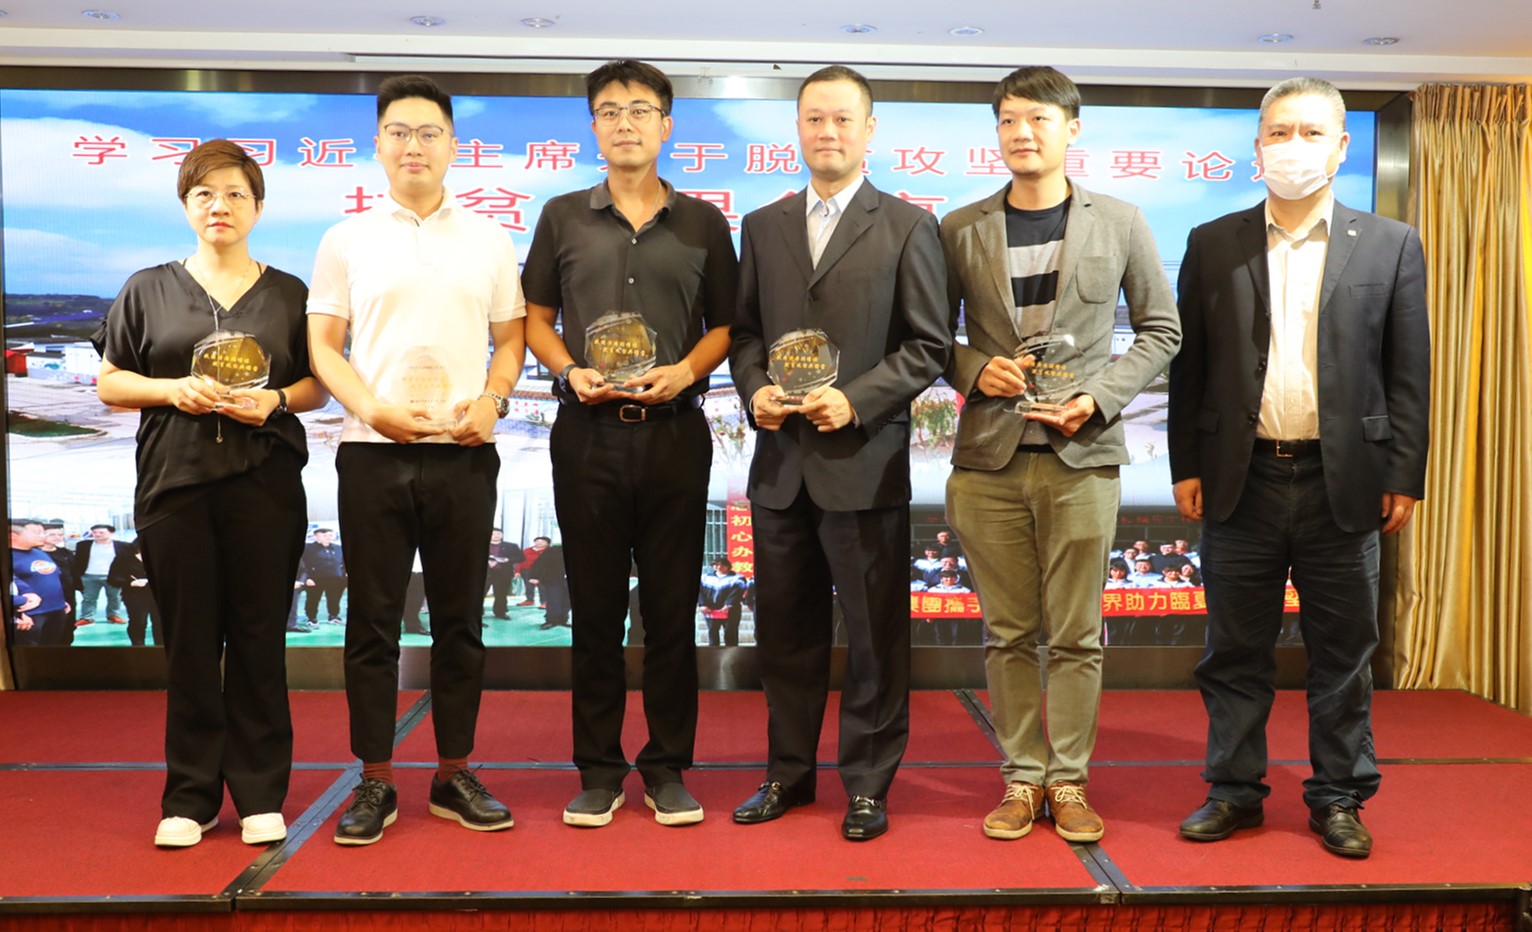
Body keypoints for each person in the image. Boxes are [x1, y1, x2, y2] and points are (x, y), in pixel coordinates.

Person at [1170, 76, 1429, 860]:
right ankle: (1233, 790)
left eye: (1311, 133)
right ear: (1257, 146)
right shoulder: (1213, 241)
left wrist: (1404, 473)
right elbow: (1190, 367)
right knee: (1234, 650)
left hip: (1344, 480)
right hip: (1239, 477)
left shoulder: (1390, 243)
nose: (1294, 147)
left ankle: (1339, 796)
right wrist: (1186, 463)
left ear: (1342, 146)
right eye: (1279, 132)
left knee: (1343, 654)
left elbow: (1409, 372)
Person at [939, 66, 1180, 843]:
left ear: (1072, 129)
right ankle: (1021, 777)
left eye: (1039, 118)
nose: (1022, 132)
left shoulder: (1121, 221)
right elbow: (926, 336)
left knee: (1076, 634)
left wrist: (1099, 398)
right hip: (989, 460)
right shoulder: (960, 227)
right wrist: (974, 367)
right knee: (1007, 633)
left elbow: (1162, 330)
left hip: (1082, 456)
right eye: (1009, 119)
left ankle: (1068, 780)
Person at [728, 65, 951, 842]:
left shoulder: (909, 225)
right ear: (797, 129)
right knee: (784, 638)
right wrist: (754, 387)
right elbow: (746, 332)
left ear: (869, 131)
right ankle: (786, 775)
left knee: (873, 641)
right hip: (780, 469)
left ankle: (867, 785)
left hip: (864, 464)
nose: (828, 132)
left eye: (842, 119)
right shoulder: (762, 225)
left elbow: (928, 344)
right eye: (815, 119)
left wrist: (854, 399)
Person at [307, 74, 527, 846]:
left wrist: (494, 400)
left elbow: (511, 340)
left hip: (465, 455)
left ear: (453, 145)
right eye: (399, 132)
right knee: (372, 623)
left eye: (429, 132)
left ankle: (453, 772)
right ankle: (375, 778)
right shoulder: (345, 239)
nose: (413, 145)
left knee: (461, 620)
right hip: (373, 454)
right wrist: (370, 410)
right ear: (377, 145)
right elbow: (323, 347)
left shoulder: (491, 238)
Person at [522, 60, 737, 829]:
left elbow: (726, 326)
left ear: (666, 126)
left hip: (676, 434)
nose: (625, 123)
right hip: (587, 436)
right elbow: (536, 318)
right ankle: (598, 769)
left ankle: (668, 767)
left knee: (672, 612)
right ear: (594, 126)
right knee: (595, 610)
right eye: (610, 110)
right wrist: (569, 370)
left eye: (640, 110)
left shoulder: (704, 223)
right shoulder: (561, 217)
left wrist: (685, 370)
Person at [96, 139, 322, 848]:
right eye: (203, 194)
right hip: (176, 486)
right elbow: (110, 382)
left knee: (258, 638)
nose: (219, 206)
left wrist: (276, 400)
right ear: (185, 206)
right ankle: (189, 798)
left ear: (257, 206)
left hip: (265, 484)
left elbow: (316, 385)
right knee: (190, 644)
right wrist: (173, 390)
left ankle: (259, 793)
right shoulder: (147, 288)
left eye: (234, 194)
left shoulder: (290, 293)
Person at [10, 520, 71, 647]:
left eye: (43, 533)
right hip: (30, 615)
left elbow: (51, 578)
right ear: (13, 535)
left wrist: (61, 601)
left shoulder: (40, 553)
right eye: (36, 533)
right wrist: (17, 614)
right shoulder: (9, 557)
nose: (42, 536)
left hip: (56, 610)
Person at [72, 524, 130, 625]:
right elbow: (77, 560)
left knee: (115, 597)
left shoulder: (123, 546)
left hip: (113, 576)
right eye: (94, 532)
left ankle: (113, 615)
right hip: (89, 576)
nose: (97, 534)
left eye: (101, 532)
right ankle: (87, 618)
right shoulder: (83, 545)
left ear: (111, 533)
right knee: (88, 598)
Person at [108, 539, 159, 646]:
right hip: (134, 595)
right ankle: (138, 647)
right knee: (138, 622)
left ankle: (160, 648)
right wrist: (130, 583)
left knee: (160, 623)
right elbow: (113, 578)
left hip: (158, 595)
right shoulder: (124, 557)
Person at [298, 528, 347, 626]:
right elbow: (303, 564)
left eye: (330, 535)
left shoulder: (338, 548)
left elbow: (343, 562)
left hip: (335, 579)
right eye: (324, 535)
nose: (328, 537)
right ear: (316, 536)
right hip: (315, 579)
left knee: (334, 598)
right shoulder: (308, 548)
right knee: (313, 599)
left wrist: (344, 574)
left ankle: (333, 616)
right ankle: (311, 618)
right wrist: (306, 578)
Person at [39, 524, 79, 643]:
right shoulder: (34, 554)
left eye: (60, 534)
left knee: (68, 624)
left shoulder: (66, 553)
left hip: (67, 593)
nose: (57, 537)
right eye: (52, 534)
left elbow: (74, 572)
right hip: (44, 596)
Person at [698, 557, 750, 648]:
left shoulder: (737, 578)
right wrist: (702, 604)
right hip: (711, 609)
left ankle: (732, 653)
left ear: (728, 566)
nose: (719, 567)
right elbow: (700, 592)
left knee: (730, 633)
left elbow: (737, 592)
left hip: (731, 610)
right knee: (712, 632)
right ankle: (713, 653)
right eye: (716, 565)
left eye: (722, 565)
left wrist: (728, 604)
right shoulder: (705, 578)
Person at [485, 529, 523, 620]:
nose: (496, 535)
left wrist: (508, 560)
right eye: (493, 533)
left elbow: (521, 557)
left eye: (498, 533)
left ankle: (500, 612)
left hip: (503, 573)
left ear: (502, 535)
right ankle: (476, 614)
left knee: (501, 594)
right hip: (485, 574)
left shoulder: (511, 546)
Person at [517, 536, 550, 607]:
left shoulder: (549, 551)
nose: (539, 543)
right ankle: (529, 600)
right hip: (526, 570)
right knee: (528, 586)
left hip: (542, 571)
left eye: (542, 542)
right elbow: (520, 561)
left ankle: (544, 602)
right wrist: (517, 571)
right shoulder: (527, 550)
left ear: (547, 543)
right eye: (537, 541)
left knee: (542, 586)